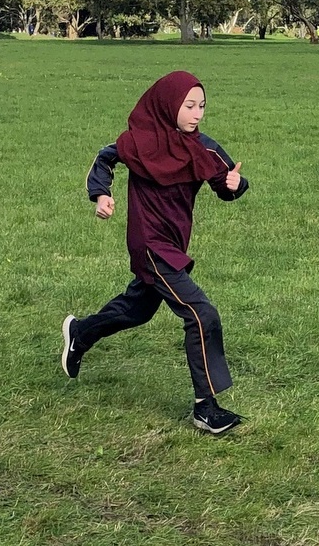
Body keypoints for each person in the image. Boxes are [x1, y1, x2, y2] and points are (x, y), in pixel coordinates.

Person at [61, 71, 249, 435]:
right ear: (168, 105)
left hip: (174, 243)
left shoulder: (203, 147)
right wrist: (101, 194)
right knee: (201, 313)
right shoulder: (137, 143)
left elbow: (227, 181)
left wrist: (236, 184)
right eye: (189, 105)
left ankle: (80, 333)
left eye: (202, 106)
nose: (197, 113)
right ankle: (205, 407)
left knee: (138, 309)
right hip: (151, 244)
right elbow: (104, 159)